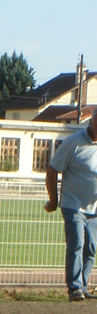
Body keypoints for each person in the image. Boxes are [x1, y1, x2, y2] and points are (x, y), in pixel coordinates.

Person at [45, 108, 97, 301]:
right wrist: (53, 200)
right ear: (91, 122)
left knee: (91, 247)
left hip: (94, 208)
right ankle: (74, 288)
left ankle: (83, 286)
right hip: (73, 205)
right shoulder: (73, 143)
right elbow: (52, 171)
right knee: (77, 243)